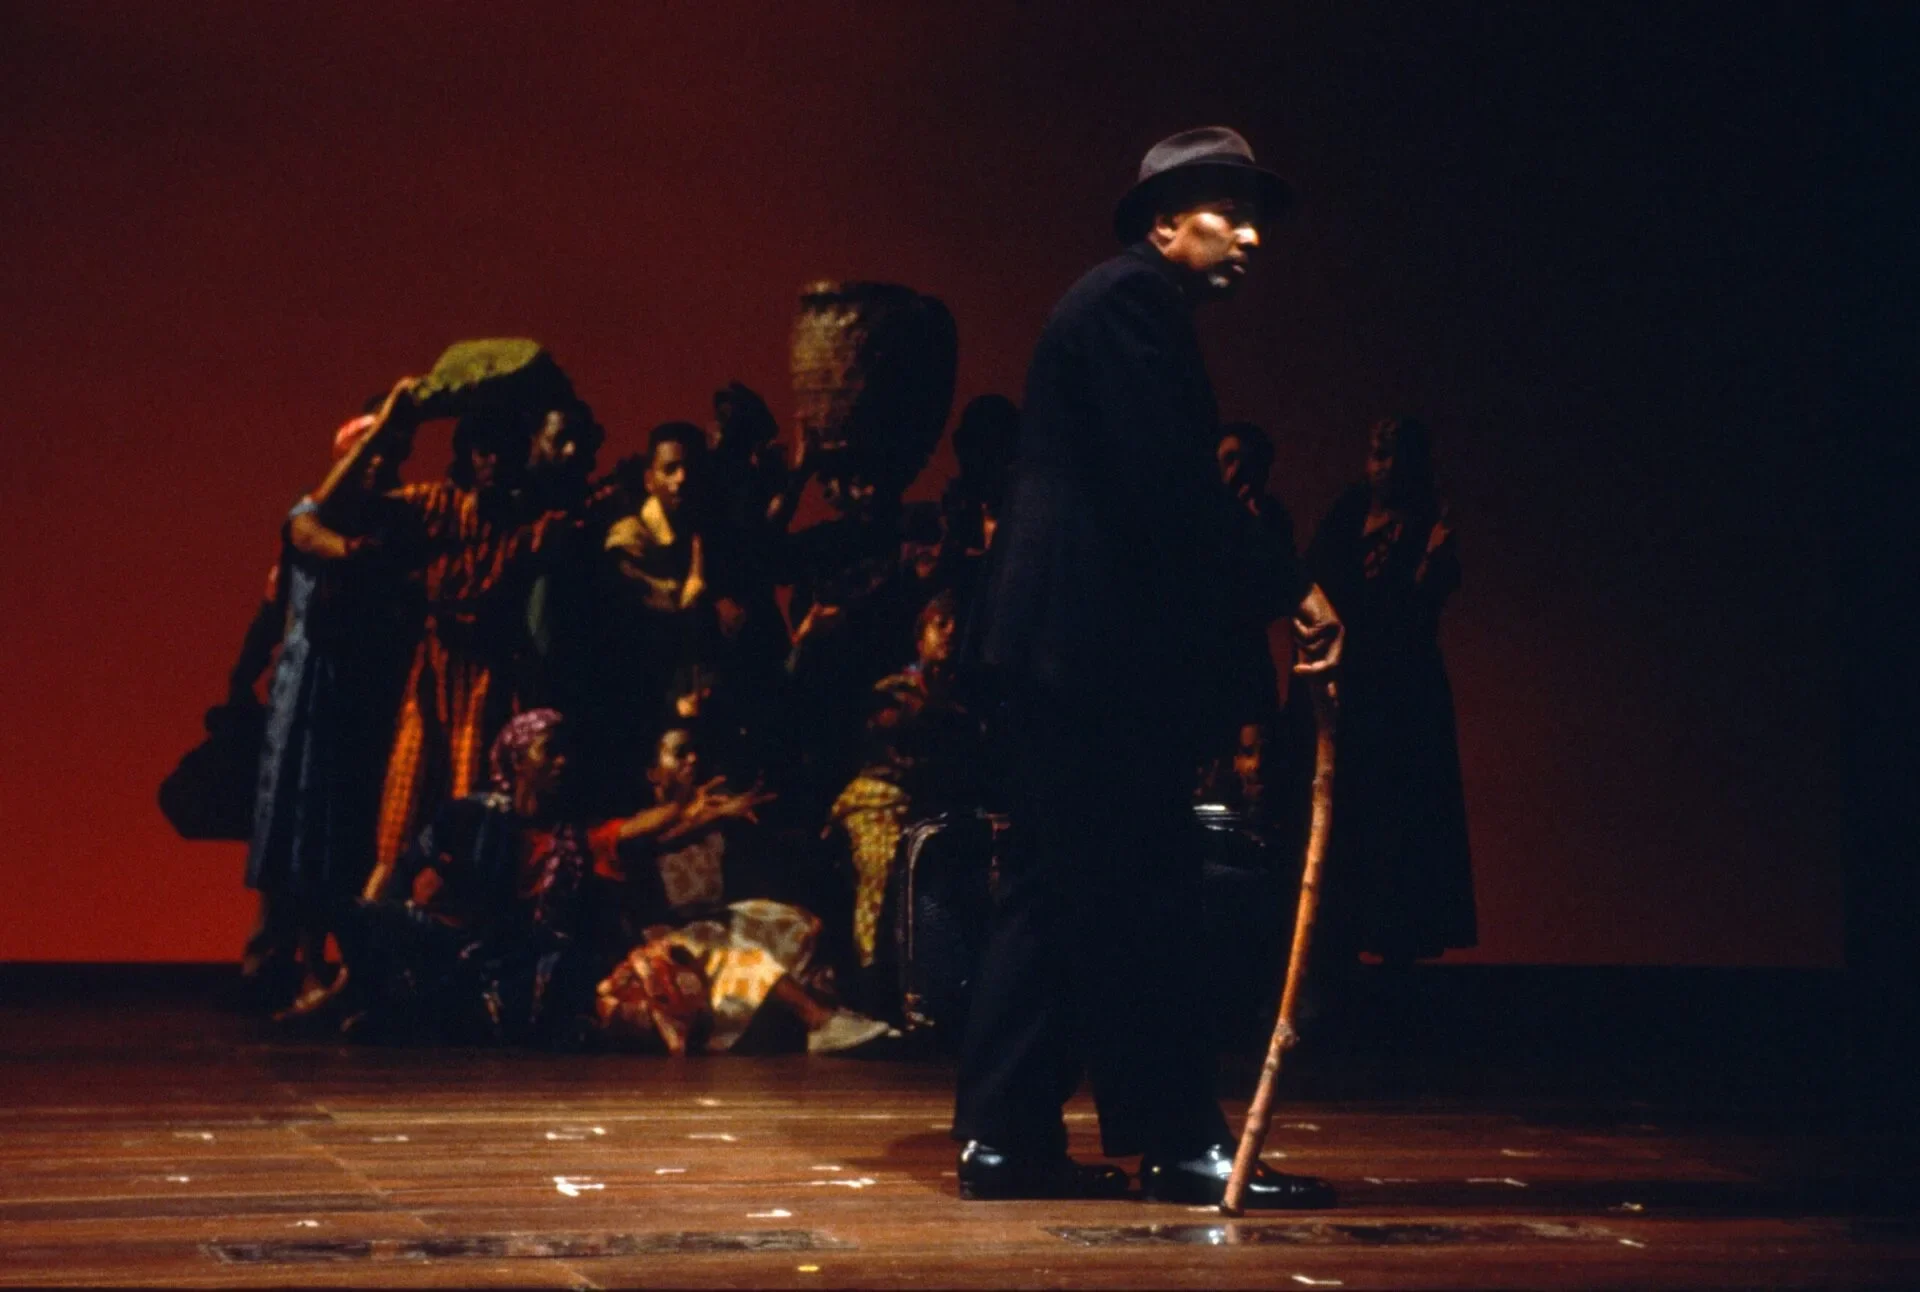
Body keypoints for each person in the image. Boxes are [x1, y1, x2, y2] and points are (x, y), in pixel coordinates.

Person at [953, 127, 1343, 1206]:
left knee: (1059, 888)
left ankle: (1008, 1137)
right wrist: (1294, 586)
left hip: (1062, 649)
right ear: (1165, 222)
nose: (1252, 236)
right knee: (1140, 893)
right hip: (1081, 653)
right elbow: (1171, 487)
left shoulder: (1122, 305)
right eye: (1230, 213)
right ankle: (1176, 1141)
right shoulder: (1130, 303)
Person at [247, 405, 415, 1017]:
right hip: (306, 690)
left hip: (356, 689)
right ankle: (286, 960)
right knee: (295, 821)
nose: (380, 466)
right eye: (368, 455)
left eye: (389, 456)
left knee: (337, 825)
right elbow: (305, 536)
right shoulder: (312, 516)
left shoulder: (395, 524)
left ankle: (317, 962)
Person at [1307, 416, 1475, 970]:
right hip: (1349, 693)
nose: (1387, 468)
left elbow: (1419, 607)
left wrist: (1428, 567)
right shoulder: (1347, 514)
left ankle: (1398, 963)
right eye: (1379, 454)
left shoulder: (1428, 523)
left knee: (1403, 828)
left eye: (1398, 457)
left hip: (1405, 698)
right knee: (1349, 826)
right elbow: (1313, 587)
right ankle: (1338, 956)